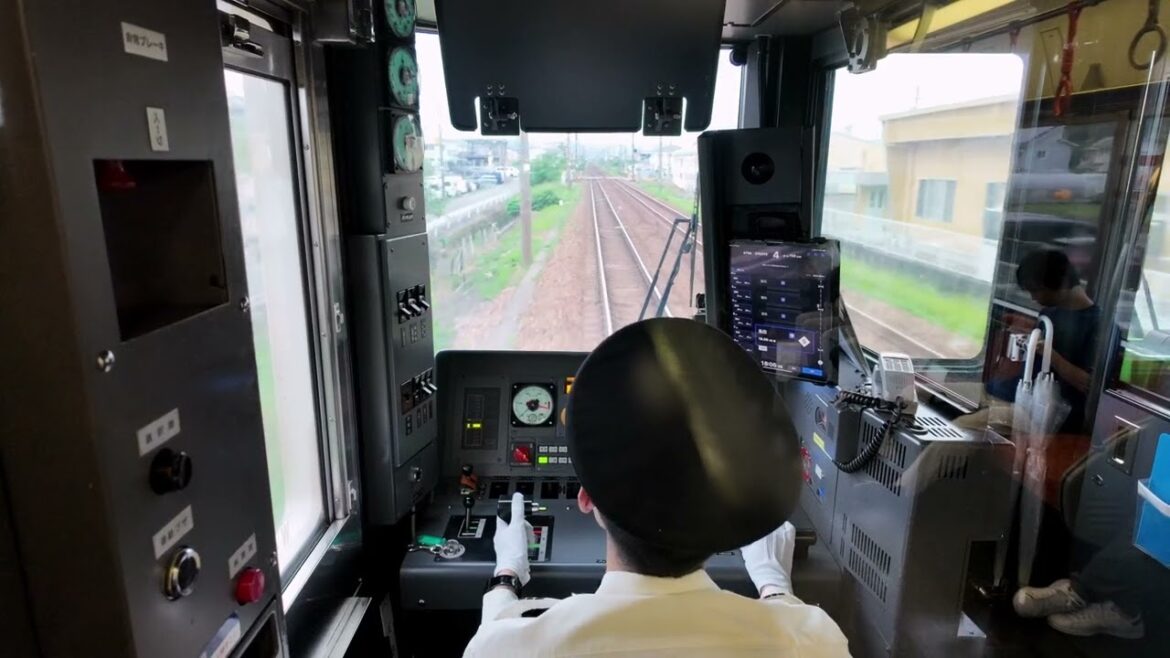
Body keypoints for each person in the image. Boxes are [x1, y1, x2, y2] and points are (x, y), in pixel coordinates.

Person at [464, 318, 849, 657]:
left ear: (586, 498)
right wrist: (774, 585)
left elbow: (495, 638)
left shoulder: (508, 648)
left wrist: (506, 575)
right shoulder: (813, 643)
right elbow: (796, 634)